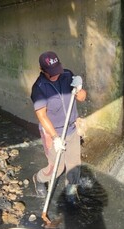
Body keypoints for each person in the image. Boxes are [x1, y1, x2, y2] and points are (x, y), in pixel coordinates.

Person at [30, 51, 87, 205]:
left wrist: (79, 89)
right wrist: (55, 138)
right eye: (52, 73)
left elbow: (82, 98)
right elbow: (42, 116)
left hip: (71, 128)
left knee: (74, 163)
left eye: (57, 70)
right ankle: (39, 178)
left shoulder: (67, 75)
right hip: (52, 133)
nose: (56, 75)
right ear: (43, 71)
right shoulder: (39, 88)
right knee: (57, 167)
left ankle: (70, 191)